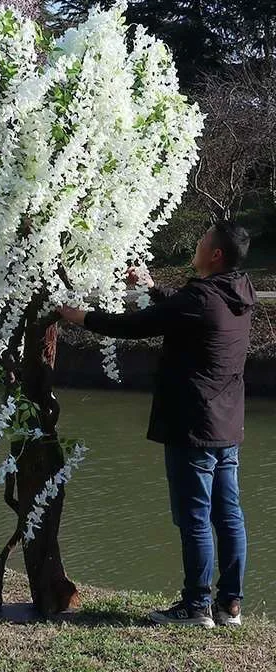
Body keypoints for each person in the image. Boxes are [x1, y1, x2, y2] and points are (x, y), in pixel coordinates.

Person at [59, 221, 255, 629]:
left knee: (195, 518)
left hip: (193, 424)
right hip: (226, 424)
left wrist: (78, 317)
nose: (197, 243)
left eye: (203, 240)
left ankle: (196, 606)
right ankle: (229, 605)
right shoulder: (239, 291)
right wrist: (152, 284)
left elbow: (137, 326)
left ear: (216, 254)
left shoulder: (200, 296)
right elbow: (186, 308)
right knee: (229, 514)